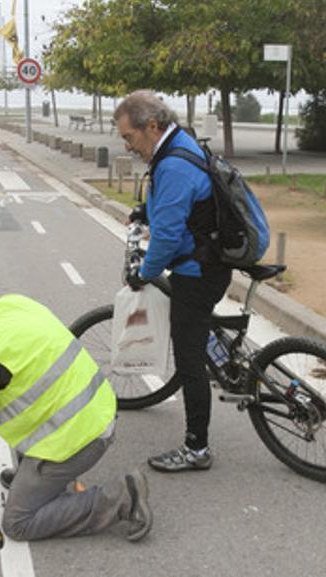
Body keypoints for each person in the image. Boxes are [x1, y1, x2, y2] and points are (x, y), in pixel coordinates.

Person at [0, 269, 152, 542]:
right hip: (99, 411)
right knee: (22, 396)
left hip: (77, 440)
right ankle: (33, 477)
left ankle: (121, 498)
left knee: (18, 523)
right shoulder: (14, 304)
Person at [115, 90, 232, 474]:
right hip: (208, 260)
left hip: (198, 272)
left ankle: (197, 449)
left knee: (189, 359)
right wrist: (142, 211)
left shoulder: (173, 166)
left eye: (129, 137)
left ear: (151, 127)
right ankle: (221, 354)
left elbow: (165, 238)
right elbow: (171, 204)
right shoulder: (178, 143)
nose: (128, 146)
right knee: (197, 330)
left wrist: (143, 274)